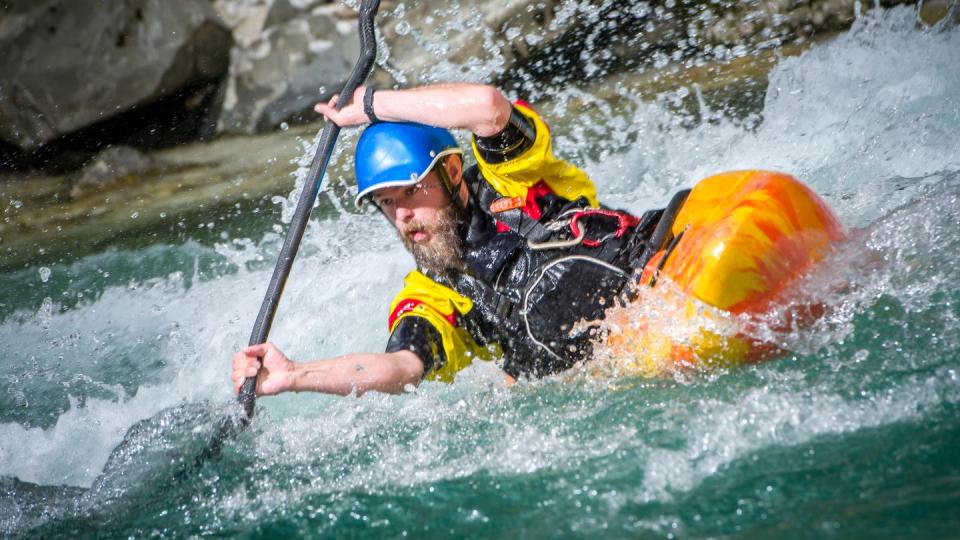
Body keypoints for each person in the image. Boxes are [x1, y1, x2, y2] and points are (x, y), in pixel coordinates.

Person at [232, 83, 666, 398]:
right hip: (617, 365)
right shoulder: (431, 290)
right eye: (387, 202)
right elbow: (402, 367)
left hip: (655, 278)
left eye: (411, 190)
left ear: (453, 173)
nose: (402, 213)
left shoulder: (507, 178)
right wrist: (294, 375)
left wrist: (369, 104)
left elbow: (488, 107)